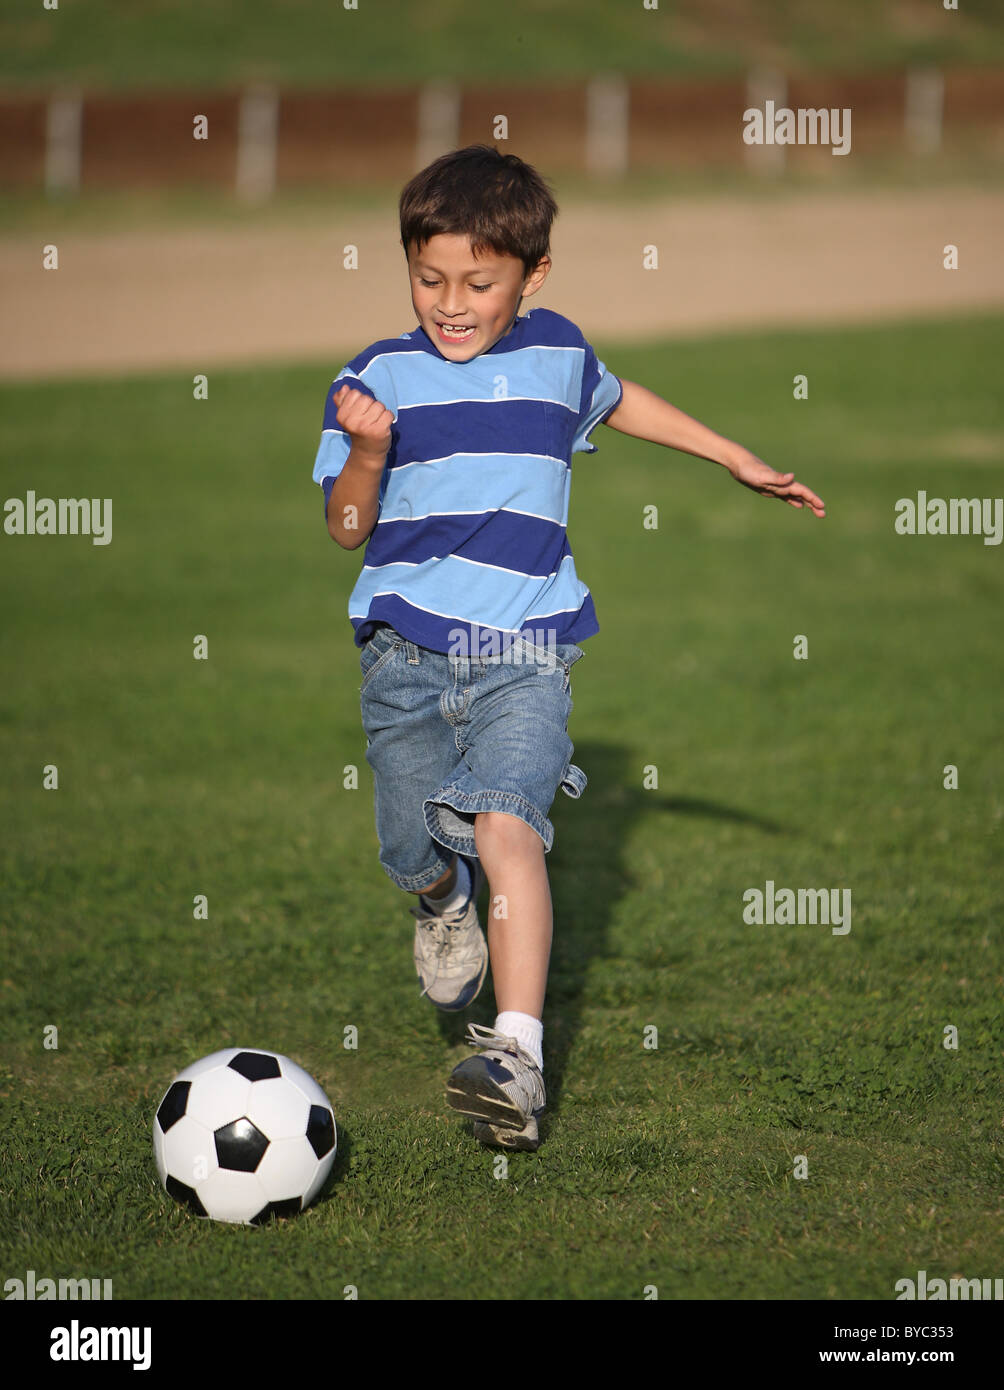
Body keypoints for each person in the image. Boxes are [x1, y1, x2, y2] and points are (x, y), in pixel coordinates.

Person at [312, 144, 824, 1152]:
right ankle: (437, 902)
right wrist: (368, 447)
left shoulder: (555, 355)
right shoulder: (376, 377)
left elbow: (617, 397)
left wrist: (733, 456)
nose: (449, 303)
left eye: (477, 282)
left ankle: (515, 1055)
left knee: (508, 822)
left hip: (527, 650)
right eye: (428, 278)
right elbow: (343, 526)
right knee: (412, 850)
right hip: (404, 656)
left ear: (530, 277)